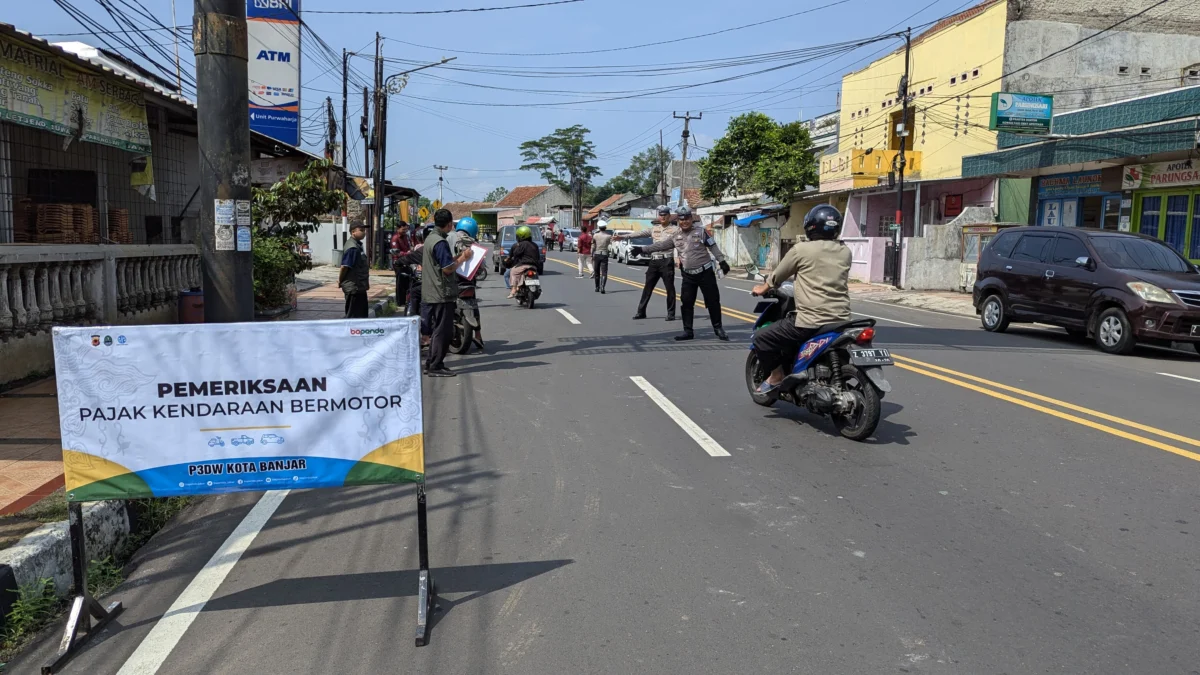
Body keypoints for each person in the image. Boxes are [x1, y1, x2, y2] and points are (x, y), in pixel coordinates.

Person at [750, 204, 852, 394]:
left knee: (761, 338)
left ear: (811, 226)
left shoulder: (801, 250)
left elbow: (777, 276)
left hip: (810, 321)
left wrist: (763, 288)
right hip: (841, 319)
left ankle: (776, 376)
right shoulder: (845, 251)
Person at [631, 205, 730, 341]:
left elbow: (713, 246)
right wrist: (642, 249)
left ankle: (718, 329)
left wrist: (722, 261)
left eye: (687, 219)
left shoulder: (701, 232)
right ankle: (688, 331)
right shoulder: (675, 236)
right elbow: (660, 245)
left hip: (705, 273)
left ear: (691, 219)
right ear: (678, 221)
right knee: (687, 303)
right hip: (688, 275)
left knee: (713, 301)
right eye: (682, 220)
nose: (685, 222)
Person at [422, 209, 474, 377]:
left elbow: (443, 262)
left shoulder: (430, 238)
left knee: (437, 329)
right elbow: (447, 269)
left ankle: (431, 362)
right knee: (442, 331)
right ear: (450, 224)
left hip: (432, 290)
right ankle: (435, 365)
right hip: (441, 292)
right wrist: (463, 258)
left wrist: (459, 255)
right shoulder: (440, 242)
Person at [615, 204, 677, 321]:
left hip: (666, 260)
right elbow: (640, 233)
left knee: (669, 288)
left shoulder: (675, 230)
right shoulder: (655, 228)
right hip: (654, 261)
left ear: (669, 216)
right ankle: (641, 312)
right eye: (661, 215)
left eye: (665, 215)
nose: (662, 217)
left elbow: (679, 244)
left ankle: (671, 313)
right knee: (648, 287)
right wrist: (623, 237)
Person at [454, 216, 486, 351]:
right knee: (473, 305)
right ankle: (478, 335)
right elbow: (482, 267)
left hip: (452, 278)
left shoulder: (450, 238)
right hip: (468, 282)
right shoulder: (474, 244)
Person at [339, 221, 370, 318]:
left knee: (362, 314)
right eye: (361, 230)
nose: (364, 232)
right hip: (353, 287)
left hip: (359, 286)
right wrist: (340, 280)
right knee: (353, 315)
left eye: (364, 230)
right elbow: (344, 267)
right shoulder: (352, 248)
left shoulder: (357, 245)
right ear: (353, 232)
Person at [505, 225, 541, 299]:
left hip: (524, 264)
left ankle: (514, 289)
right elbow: (538, 256)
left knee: (513, 271)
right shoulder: (535, 245)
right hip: (534, 265)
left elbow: (516, 253)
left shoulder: (522, 244)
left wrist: (518, 247)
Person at [390, 221, 412, 308]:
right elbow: (396, 253)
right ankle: (400, 301)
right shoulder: (395, 238)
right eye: (403, 229)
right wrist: (407, 253)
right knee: (400, 283)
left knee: (406, 281)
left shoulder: (406, 237)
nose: (405, 231)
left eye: (406, 229)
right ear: (398, 229)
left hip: (406, 262)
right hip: (398, 263)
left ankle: (406, 300)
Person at [591, 221, 613, 293]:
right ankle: (603, 287)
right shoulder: (608, 236)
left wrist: (591, 254)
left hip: (597, 254)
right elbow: (611, 245)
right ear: (605, 228)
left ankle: (597, 287)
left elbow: (593, 246)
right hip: (604, 254)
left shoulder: (595, 235)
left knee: (596, 271)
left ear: (599, 228)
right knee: (604, 272)